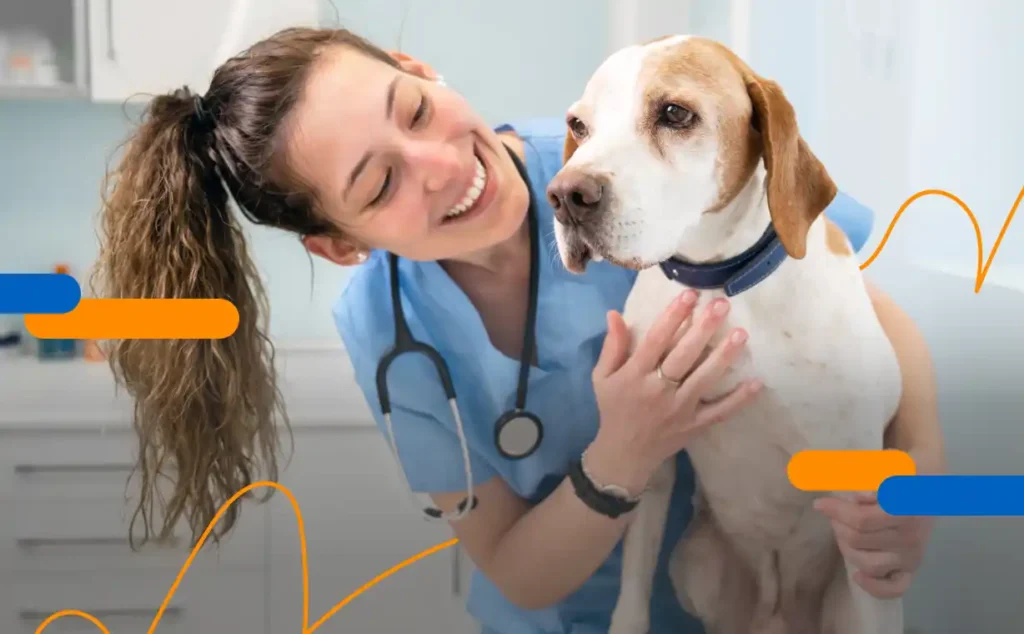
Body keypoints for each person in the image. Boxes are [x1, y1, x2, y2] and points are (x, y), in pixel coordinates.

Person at [92, 26, 944, 634]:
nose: (441, 165)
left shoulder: (600, 164)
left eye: (413, 110)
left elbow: (858, 311)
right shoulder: (388, 329)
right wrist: (625, 451)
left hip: (713, 601)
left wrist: (920, 480)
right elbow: (514, 568)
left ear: (420, 69)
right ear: (342, 246)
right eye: (380, 183)